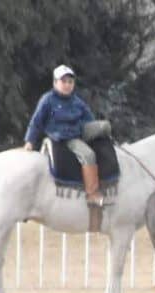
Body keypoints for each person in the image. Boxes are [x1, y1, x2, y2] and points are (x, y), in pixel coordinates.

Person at [23, 64, 113, 231]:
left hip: (78, 133)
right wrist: (29, 142)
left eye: (70, 81)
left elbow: (89, 120)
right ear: (55, 82)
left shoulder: (77, 102)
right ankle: (92, 194)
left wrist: (97, 131)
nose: (67, 84)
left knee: (104, 126)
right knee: (88, 155)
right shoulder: (47, 100)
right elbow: (36, 122)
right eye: (64, 81)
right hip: (62, 137)